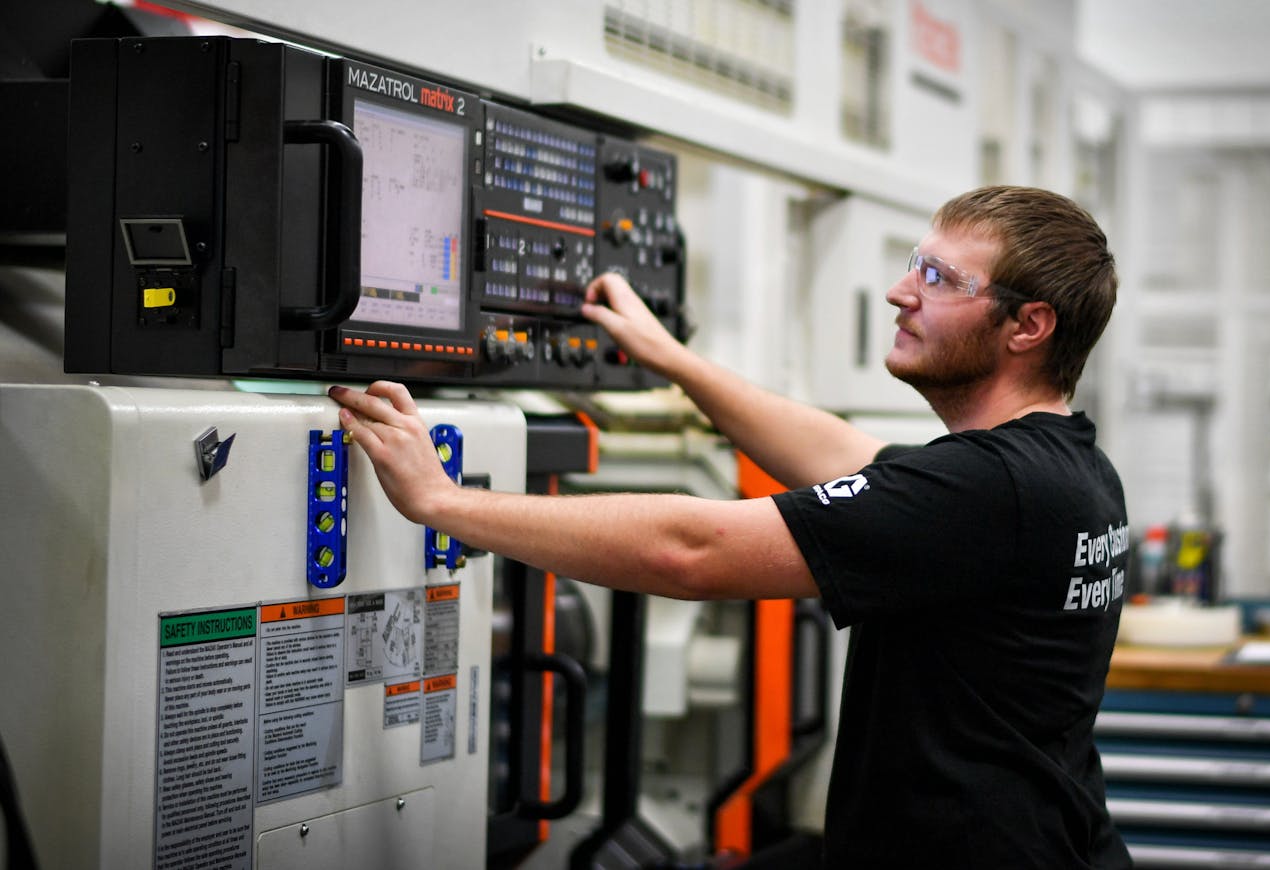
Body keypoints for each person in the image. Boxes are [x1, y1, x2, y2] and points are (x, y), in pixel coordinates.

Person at [328, 185, 1132, 868]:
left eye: (938, 277)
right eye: (911, 264)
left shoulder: (990, 484)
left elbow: (692, 552)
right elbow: (843, 454)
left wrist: (443, 502)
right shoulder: (1063, 468)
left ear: (1027, 326)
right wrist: (670, 359)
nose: (900, 292)